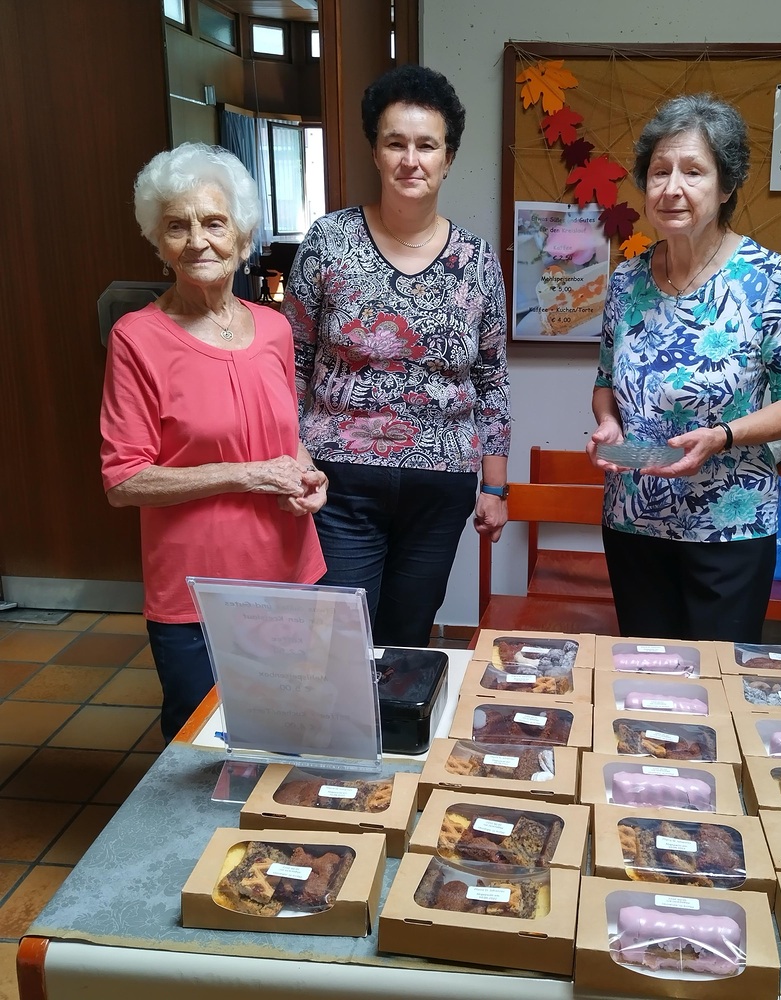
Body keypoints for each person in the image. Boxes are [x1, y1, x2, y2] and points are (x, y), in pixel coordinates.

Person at [100, 142, 328, 743]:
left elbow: (288, 440)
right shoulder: (137, 339)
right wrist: (249, 474)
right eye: (178, 225)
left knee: (294, 735)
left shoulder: (274, 328)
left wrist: (310, 479)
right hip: (196, 592)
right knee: (203, 751)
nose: (197, 241)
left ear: (243, 238)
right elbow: (124, 480)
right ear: (159, 241)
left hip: (290, 574)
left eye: (214, 222)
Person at [282, 64, 510, 648]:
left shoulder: (477, 261)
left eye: (427, 145)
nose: (411, 160)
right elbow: (291, 362)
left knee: (408, 639)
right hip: (340, 482)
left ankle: (399, 714)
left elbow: (492, 381)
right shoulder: (328, 241)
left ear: (447, 158)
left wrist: (495, 488)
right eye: (395, 143)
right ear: (375, 152)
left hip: (441, 487)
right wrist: (297, 457)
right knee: (341, 638)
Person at [587, 93, 781, 642]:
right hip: (633, 518)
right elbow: (605, 383)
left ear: (726, 186)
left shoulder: (765, 277)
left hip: (729, 524)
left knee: (717, 681)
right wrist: (609, 425)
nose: (672, 187)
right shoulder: (627, 280)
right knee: (646, 674)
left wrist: (722, 436)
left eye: (693, 171)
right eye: (659, 171)